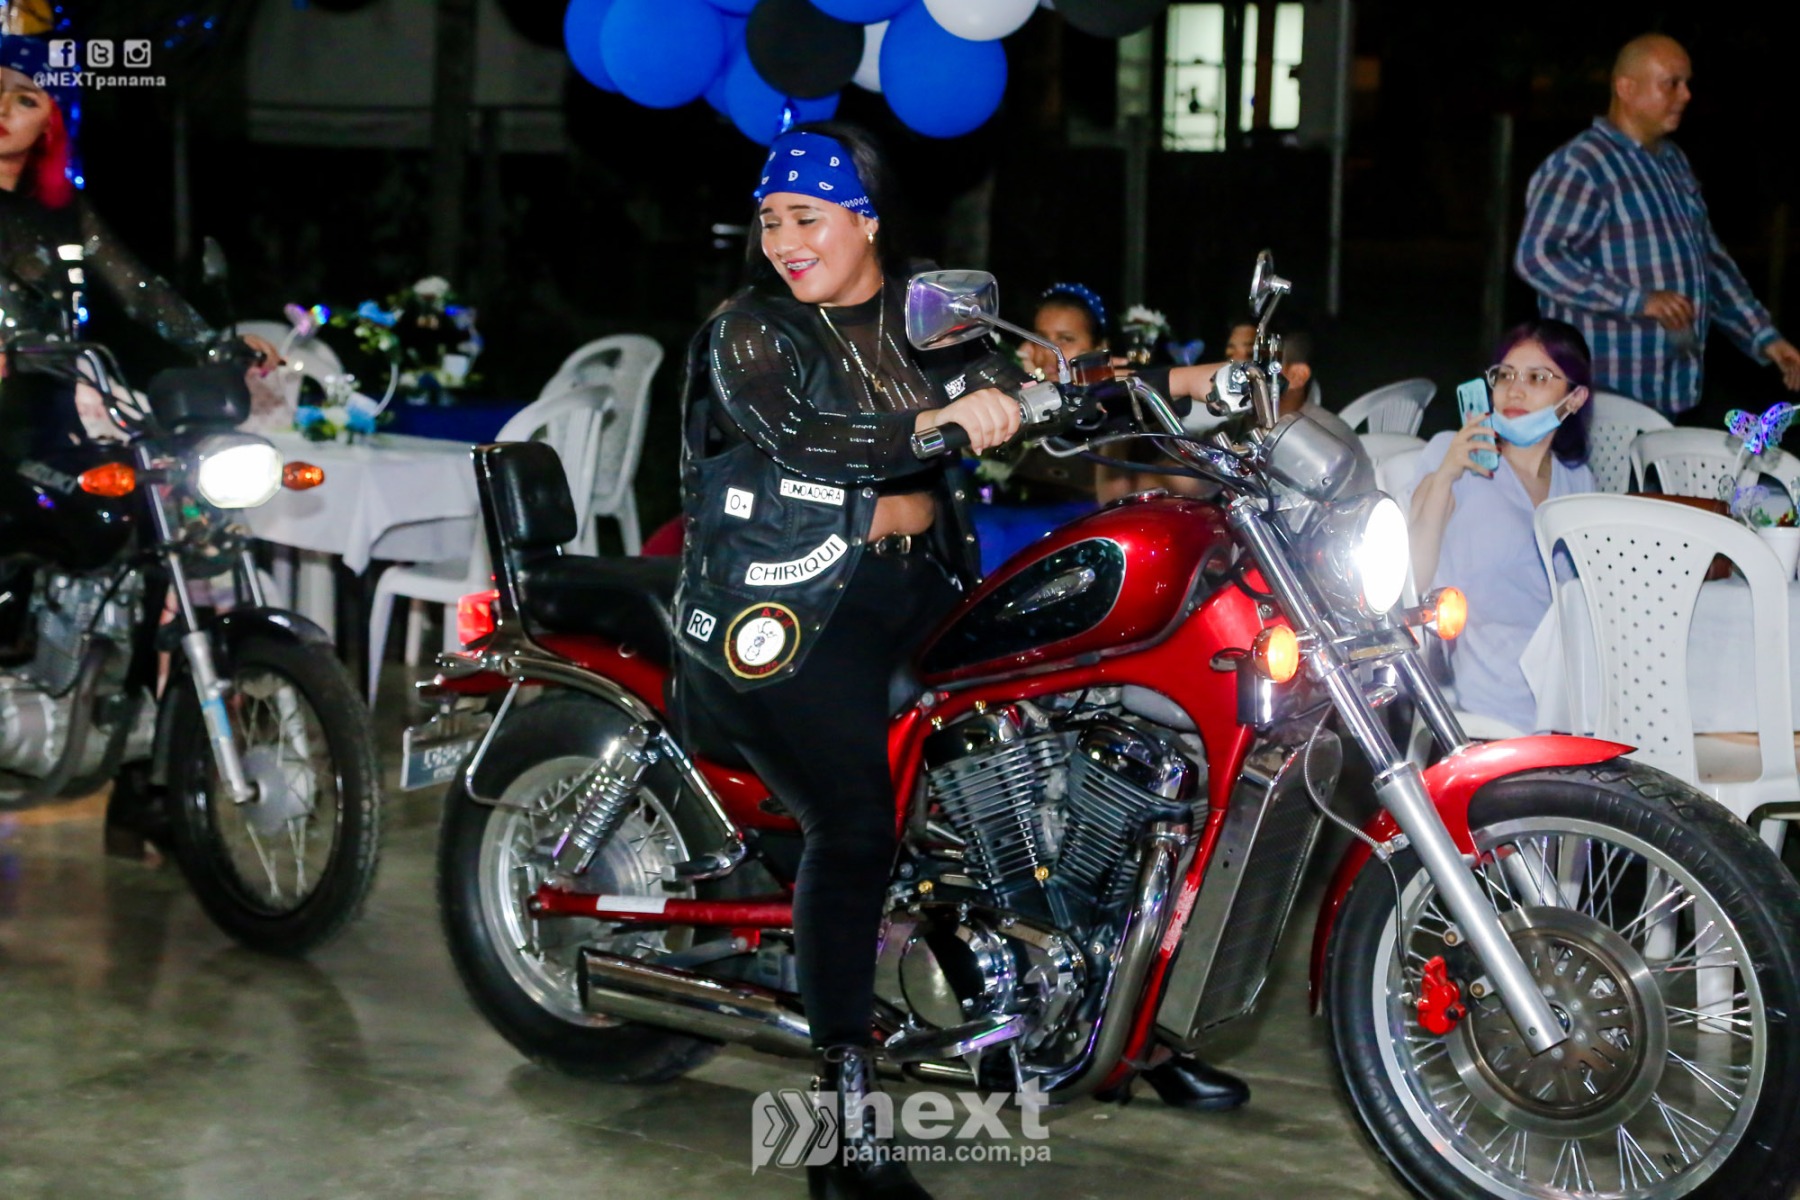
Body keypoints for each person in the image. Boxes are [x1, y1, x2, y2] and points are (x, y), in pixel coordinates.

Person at [0, 42, 278, 448]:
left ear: (50, 121)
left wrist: (212, 342)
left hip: (46, 407)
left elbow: (137, 288)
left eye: (26, 100)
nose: (2, 109)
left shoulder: (63, 209)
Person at [1514, 33, 1800, 416]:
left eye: (1687, 84)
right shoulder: (1582, 165)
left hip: (1670, 392)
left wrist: (1765, 338)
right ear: (1626, 88)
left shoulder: (1672, 162)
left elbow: (1711, 263)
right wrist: (1637, 300)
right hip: (1601, 396)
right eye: (1671, 84)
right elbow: (1538, 259)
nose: (1686, 95)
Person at [1401, 319, 1596, 733]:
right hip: (1495, 662)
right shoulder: (1453, 453)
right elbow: (1413, 577)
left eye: (1537, 378)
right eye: (1505, 375)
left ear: (1575, 398)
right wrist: (1446, 476)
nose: (1514, 390)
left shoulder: (1577, 480)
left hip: (1568, 657)